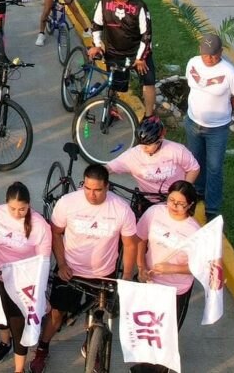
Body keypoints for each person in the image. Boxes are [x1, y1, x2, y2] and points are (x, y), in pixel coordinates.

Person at [29, 164, 137, 373]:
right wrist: (61, 264)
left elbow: (130, 244)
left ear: (107, 187)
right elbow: (56, 232)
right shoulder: (68, 203)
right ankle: (42, 348)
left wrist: (126, 276)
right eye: (87, 188)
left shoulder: (121, 209)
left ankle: (93, 345)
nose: (92, 194)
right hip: (70, 271)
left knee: (97, 314)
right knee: (56, 315)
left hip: (103, 274)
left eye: (97, 189)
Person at [133, 180, 210, 373]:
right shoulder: (154, 213)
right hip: (149, 283)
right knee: (144, 330)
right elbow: (140, 239)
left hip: (175, 290)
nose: (174, 206)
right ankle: (143, 366)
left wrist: (171, 269)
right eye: (171, 200)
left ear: (190, 205)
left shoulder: (194, 232)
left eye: (180, 203)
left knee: (164, 336)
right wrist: (141, 266)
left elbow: (200, 266)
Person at [0, 182, 52, 371]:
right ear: (6, 203)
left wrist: (40, 292)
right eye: (12, 208)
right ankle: (5, 343)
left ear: (29, 205)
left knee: (18, 324)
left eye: (22, 209)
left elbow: (43, 262)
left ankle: (18, 369)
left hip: (22, 282)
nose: (17, 213)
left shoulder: (40, 225)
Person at [184, 33, 234, 220]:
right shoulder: (193, 63)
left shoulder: (230, 72)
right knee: (195, 162)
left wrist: (227, 108)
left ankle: (212, 207)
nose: (209, 59)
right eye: (205, 54)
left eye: (213, 55)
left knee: (214, 167)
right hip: (193, 122)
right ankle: (198, 191)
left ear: (221, 52)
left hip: (217, 129)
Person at [88, 0, 156, 116]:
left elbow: (146, 35)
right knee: (114, 83)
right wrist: (96, 44)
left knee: (148, 81)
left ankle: (149, 116)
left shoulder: (139, 6)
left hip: (137, 53)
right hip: (114, 51)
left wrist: (140, 58)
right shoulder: (104, 0)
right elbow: (96, 24)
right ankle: (112, 108)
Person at [106, 115, 200, 198]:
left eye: (148, 145)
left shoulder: (177, 150)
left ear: (160, 140)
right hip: (148, 199)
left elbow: (194, 168)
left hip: (175, 197)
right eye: (141, 143)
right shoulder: (132, 155)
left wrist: (183, 190)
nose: (143, 148)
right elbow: (109, 168)